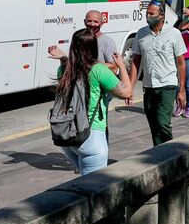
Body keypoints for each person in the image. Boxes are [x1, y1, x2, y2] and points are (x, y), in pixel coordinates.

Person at [54, 28, 133, 175]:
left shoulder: (64, 69)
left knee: (83, 182)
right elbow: (127, 92)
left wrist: (63, 59)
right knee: (94, 186)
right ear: (93, 47)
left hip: (68, 137)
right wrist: (121, 65)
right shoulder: (98, 70)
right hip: (91, 135)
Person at [129, 0, 187, 146]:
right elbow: (136, 62)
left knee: (162, 123)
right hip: (149, 86)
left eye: (151, 14)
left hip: (167, 86)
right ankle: (158, 153)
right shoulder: (141, 34)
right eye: (147, 13)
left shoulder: (174, 33)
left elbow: (181, 63)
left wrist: (181, 91)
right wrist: (130, 87)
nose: (148, 16)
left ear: (161, 15)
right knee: (154, 124)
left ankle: (170, 152)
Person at [48, 10, 119, 73]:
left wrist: (91, 65)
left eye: (95, 22)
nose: (92, 24)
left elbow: (114, 68)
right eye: (89, 21)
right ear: (84, 22)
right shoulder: (80, 38)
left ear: (101, 24)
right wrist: (63, 58)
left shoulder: (107, 42)